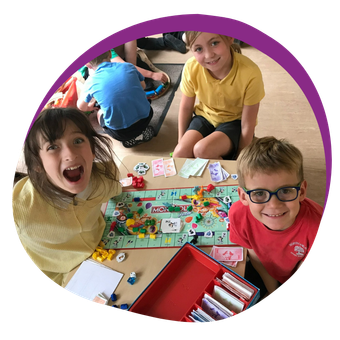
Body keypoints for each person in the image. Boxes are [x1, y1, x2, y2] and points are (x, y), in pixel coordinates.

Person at [11, 107, 122, 287]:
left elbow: (114, 189)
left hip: (101, 245)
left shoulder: (105, 176)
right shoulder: (19, 207)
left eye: (78, 140)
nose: (70, 154)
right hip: (56, 273)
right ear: (38, 164)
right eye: (53, 147)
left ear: (92, 150)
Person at [228, 136, 322, 300]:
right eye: (259, 193)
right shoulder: (238, 215)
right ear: (243, 196)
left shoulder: (316, 227)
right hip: (267, 273)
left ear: (301, 191)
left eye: (285, 191)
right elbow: (256, 258)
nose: (274, 205)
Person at [173, 31, 265, 160]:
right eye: (199, 49)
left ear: (229, 38)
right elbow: (186, 108)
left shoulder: (250, 73)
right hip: (204, 117)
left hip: (235, 122)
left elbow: (247, 124)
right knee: (180, 154)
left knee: (203, 151)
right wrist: (181, 143)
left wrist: (240, 156)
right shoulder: (191, 67)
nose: (209, 55)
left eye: (214, 43)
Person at [77, 50, 155, 148]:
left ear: (87, 65)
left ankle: (130, 138)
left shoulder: (91, 81)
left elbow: (81, 107)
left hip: (121, 133)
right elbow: (143, 86)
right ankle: (141, 131)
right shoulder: (128, 66)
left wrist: (90, 108)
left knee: (100, 112)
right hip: (146, 117)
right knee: (140, 97)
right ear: (110, 53)